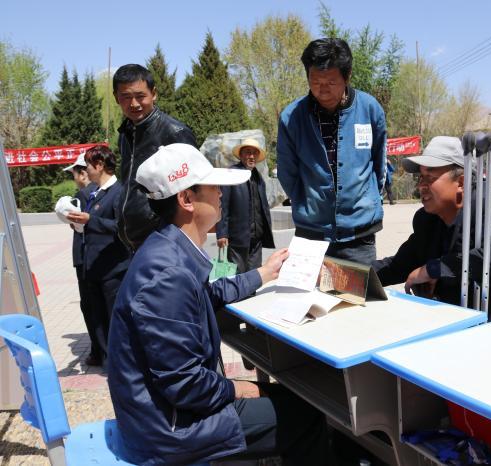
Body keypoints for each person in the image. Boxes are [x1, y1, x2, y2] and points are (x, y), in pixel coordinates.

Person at [108, 143, 330, 465]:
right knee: (306, 414)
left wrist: (263, 274)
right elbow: (185, 385)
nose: (221, 194)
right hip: (171, 429)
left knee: (286, 399)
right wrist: (236, 387)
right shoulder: (168, 275)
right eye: (213, 187)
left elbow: (206, 296)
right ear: (186, 199)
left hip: (165, 413)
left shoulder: (167, 249)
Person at [372, 136, 491, 323]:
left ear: (461, 182)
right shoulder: (427, 219)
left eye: (430, 178)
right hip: (449, 321)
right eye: (420, 178)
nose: (420, 187)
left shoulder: (490, 209)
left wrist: (433, 269)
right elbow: (398, 266)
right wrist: (349, 275)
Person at [277, 38, 387, 265]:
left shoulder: (369, 109)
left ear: (347, 77)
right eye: (315, 81)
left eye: (331, 81)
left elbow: (379, 163)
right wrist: (307, 204)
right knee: (311, 300)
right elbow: (288, 173)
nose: (323, 88)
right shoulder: (292, 117)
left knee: (356, 299)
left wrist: (367, 199)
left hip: (359, 237)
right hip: (312, 236)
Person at [113, 63, 197, 252]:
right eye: (126, 97)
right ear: (116, 98)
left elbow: (192, 192)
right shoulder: (125, 134)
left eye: (140, 96)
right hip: (132, 241)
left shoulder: (175, 132)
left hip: (163, 241)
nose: (134, 104)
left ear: (154, 94)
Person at [66, 146, 130, 365]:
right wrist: (78, 225)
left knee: (114, 318)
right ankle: (106, 359)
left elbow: (122, 227)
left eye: (88, 165)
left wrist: (90, 221)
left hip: (113, 268)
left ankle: (120, 362)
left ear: (100, 165)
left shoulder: (119, 192)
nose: (86, 171)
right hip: (93, 266)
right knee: (98, 317)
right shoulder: (94, 192)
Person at [62, 154, 101, 366]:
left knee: (90, 306)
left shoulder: (84, 195)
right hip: (95, 258)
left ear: (83, 172)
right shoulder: (98, 193)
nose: (74, 178)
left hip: (85, 258)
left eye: (74, 173)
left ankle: (98, 350)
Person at [216, 138, 274, 273]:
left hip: (257, 237)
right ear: (241, 155)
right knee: (238, 276)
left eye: (254, 153)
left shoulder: (258, 178)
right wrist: (222, 233)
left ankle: (251, 294)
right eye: (248, 152)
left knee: (254, 275)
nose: (252, 156)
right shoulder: (231, 174)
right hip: (238, 237)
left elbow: (263, 206)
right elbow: (222, 205)